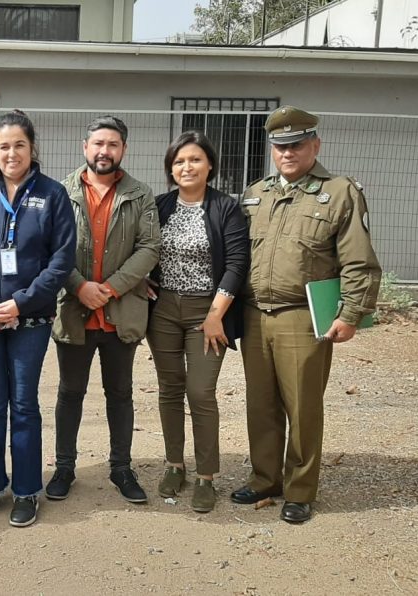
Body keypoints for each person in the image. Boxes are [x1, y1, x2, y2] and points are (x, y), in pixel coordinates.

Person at [232, 106, 381, 523]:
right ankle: (265, 478)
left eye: (297, 144)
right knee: (260, 404)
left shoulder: (340, 192)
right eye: (280, 146)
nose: (288, 153)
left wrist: (351, 313)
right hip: (255, 315)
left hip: (304, 317)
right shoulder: (255, 194)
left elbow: (358, 262)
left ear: (315, 144)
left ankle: (300, 489)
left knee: (302, 406)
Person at [0, 110, 76, 528]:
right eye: (3, 146)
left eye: (19, 144)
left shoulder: (53, 195)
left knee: (23, 405)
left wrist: (21, 302)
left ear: (32, 148)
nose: (11, 153)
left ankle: (26, 490)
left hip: (31, 320)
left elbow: (61, 261)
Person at [47, 116, 160, 505]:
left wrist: (110, 289)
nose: (104, 151)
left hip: (120, 311)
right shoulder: (61, 191)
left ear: (123, 150)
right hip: (75, 311)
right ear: (85, 147)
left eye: (113, 144)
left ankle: (121, 468)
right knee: (70, 392)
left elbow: (149, 249)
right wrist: (79, 286)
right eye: (98, 144)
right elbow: (52, 248)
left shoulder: (140, 194)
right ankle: (64, 467)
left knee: (120, 393)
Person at [144, 131, 249, 513]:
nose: (186, 167)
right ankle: (175, 466)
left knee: (201, 392)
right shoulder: (159, 206)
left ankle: (207, 475)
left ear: (209, 166)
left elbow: (237, 264)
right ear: (171, 169)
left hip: (209, 311)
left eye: (194, 160)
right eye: (179, 162)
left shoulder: (226, 208)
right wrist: (141, 278)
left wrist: (216, 315)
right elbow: (141, 248)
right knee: (170, 388)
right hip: (165, 312)